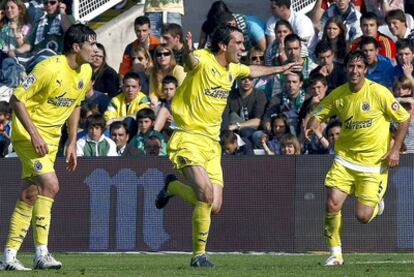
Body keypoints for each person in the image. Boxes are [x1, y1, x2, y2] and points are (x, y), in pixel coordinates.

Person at [154, 25, 302, 267]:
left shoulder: (232, 69)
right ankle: (198, 256)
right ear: (224, 45)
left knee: (214, 205)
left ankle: (172, 187)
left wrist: (281, 68)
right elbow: (190, 62)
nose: (244, 48)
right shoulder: (204, 58)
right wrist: (189, 50)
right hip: (188, 137)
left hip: (212, 144)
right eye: (239, 43)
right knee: (205, 193)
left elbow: (252, 71)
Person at [0, 23, 96, 271]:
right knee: (51, 185)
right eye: (91, 44)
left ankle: (9, 257)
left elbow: (75, 105)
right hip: (29, 133)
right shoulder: (48, 68)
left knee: (31, 194)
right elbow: (17, 99)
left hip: (52, 138)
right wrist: (34, 135)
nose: (95, 50)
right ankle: (42, 254)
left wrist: (72, 140)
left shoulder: (85, 71)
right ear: (76, 46)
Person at [305, 50, 410, 266]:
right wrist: (311, 124)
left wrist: (395, 149)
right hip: (344, 160)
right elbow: (319, 112)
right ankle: (335, 254)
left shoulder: (379, 93)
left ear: (365, 70)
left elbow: (404, 119)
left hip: (373, 164)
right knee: (332, 204)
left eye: (359, 67)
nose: (354, 71)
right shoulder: (339, 94)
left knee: (363, 216)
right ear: (346, 69)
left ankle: (376, 205)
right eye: (351, 66)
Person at [104, 71, 151, 136]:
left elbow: (138, 116)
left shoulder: (143, 99)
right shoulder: (115, 100)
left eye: (134, 87)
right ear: (122, 87)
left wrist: (115, 119)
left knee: (129, 120)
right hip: (116, 131)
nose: (130, 90)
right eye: (127, 86)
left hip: (135, 132)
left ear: (139, 88)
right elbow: (109, 118)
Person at [118, 15, 160, 82]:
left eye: (144, 30)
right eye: (138, 31)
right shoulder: (130, 47)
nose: (141, 34)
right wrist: (122, 84)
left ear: (149, 30)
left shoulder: (158, 45)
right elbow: (123, 70)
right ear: (134, 30)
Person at [149, 43, 186, 108]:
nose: (162, 56)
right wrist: (155, 103)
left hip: (177, 102)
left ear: (171, 56)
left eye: (166, 54)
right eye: (159, 54)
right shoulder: (154, 72)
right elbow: (152, 93)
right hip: (159, 103)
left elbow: (181, 91)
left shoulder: (179, 70)